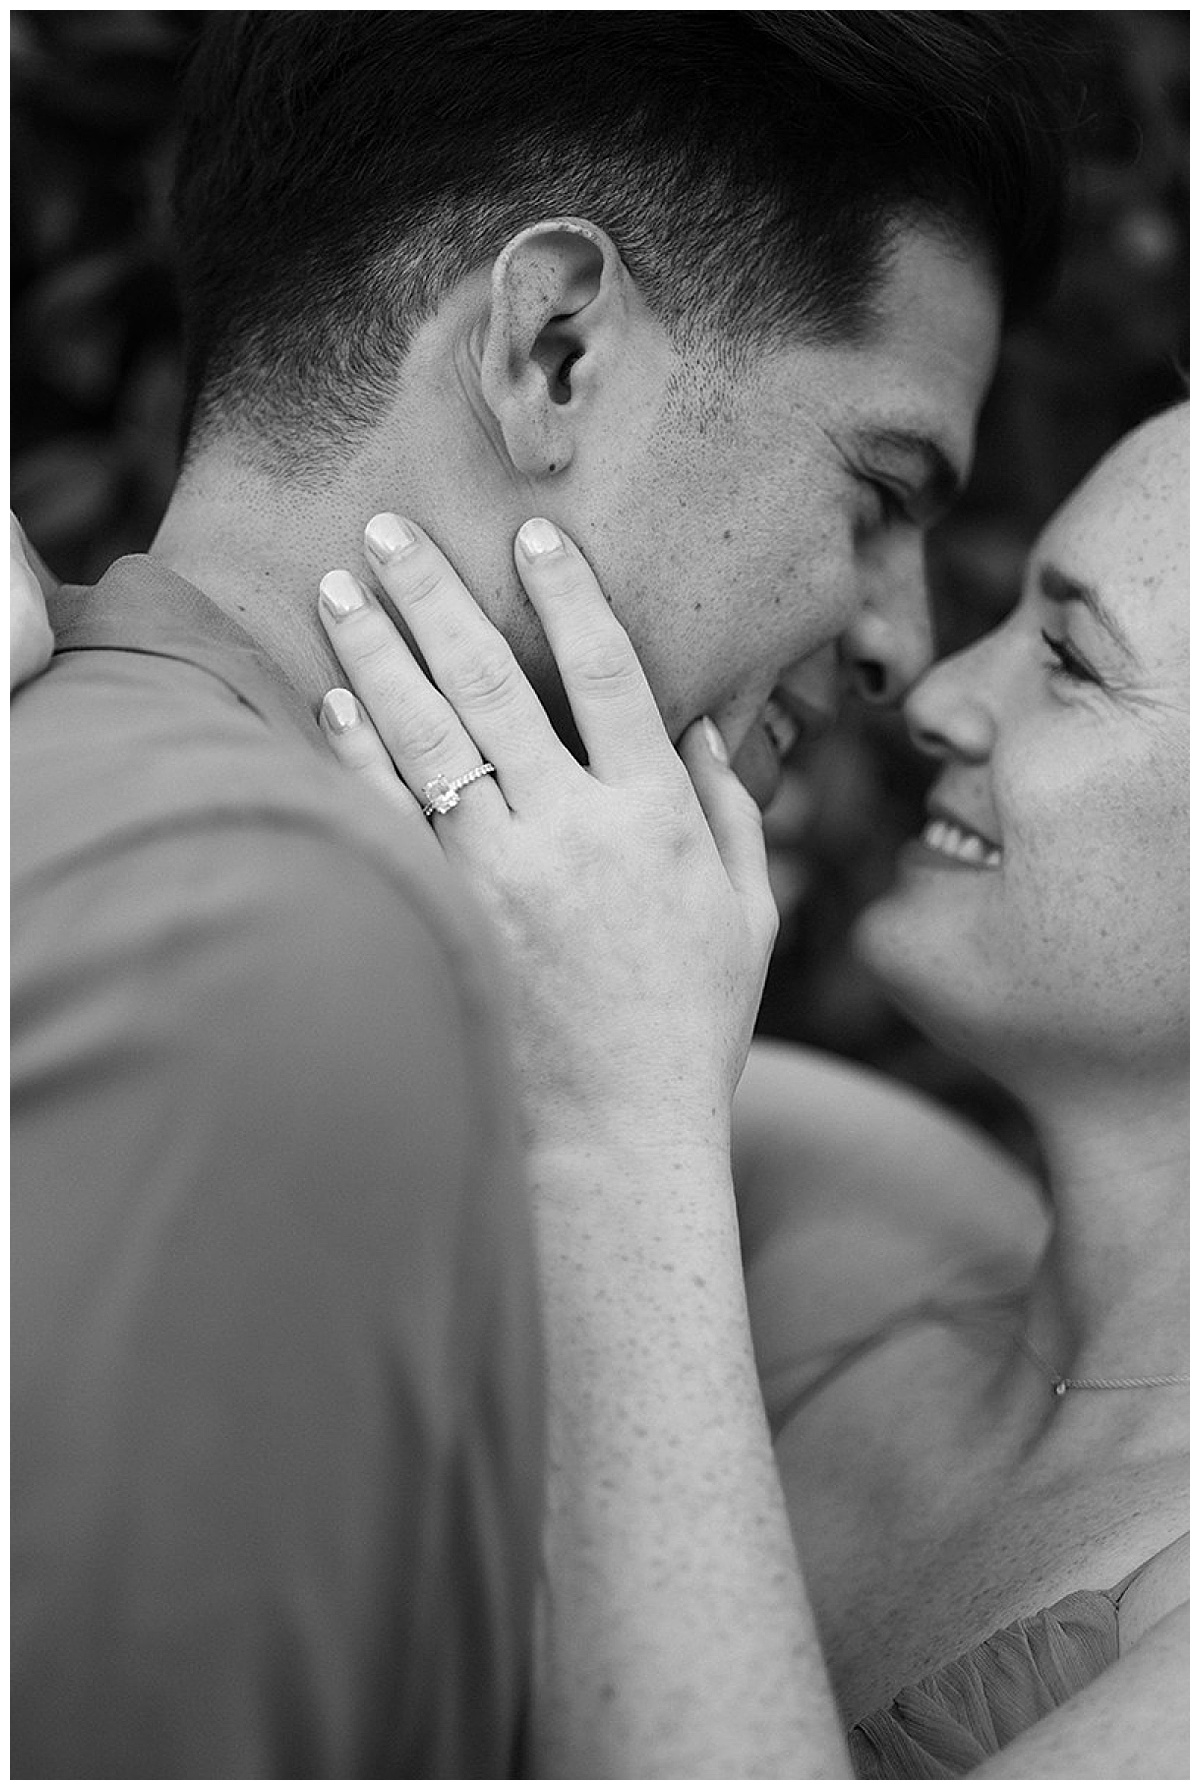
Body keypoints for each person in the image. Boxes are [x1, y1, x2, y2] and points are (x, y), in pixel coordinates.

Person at [11, 13, 1070, 1778]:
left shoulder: (111, 792)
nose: (900, 640)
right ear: (556, 348)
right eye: (878, 490)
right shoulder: (278, 950)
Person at [310, 403, 1189, 1777]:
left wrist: (625, 1132)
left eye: (1070, 658)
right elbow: (345, 1053)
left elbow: (606, 1094)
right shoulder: (851, 1204)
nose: (943, 693)